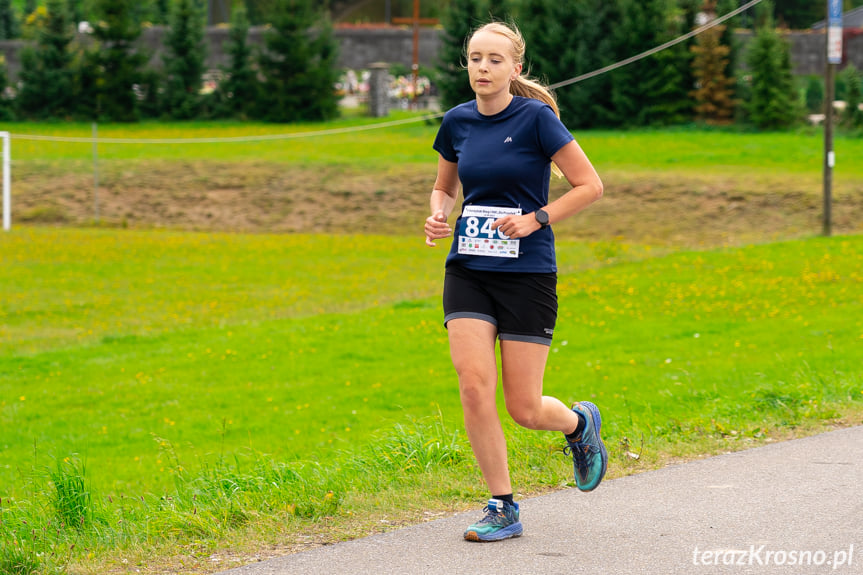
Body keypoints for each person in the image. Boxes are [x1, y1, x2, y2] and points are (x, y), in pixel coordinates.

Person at [423, 21, 607, 542]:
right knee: (473, 385)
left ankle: (578, 425)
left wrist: (536, 219)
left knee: (524, 408)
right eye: (475, 59)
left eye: (494, 60)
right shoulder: (456, 121)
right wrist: (438, 215)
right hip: (469, 270)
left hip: (526, 274)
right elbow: (444, 188)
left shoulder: (536, 120)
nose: (482, 68)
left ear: (515, 68)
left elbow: (590, 185)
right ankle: (502, 505)